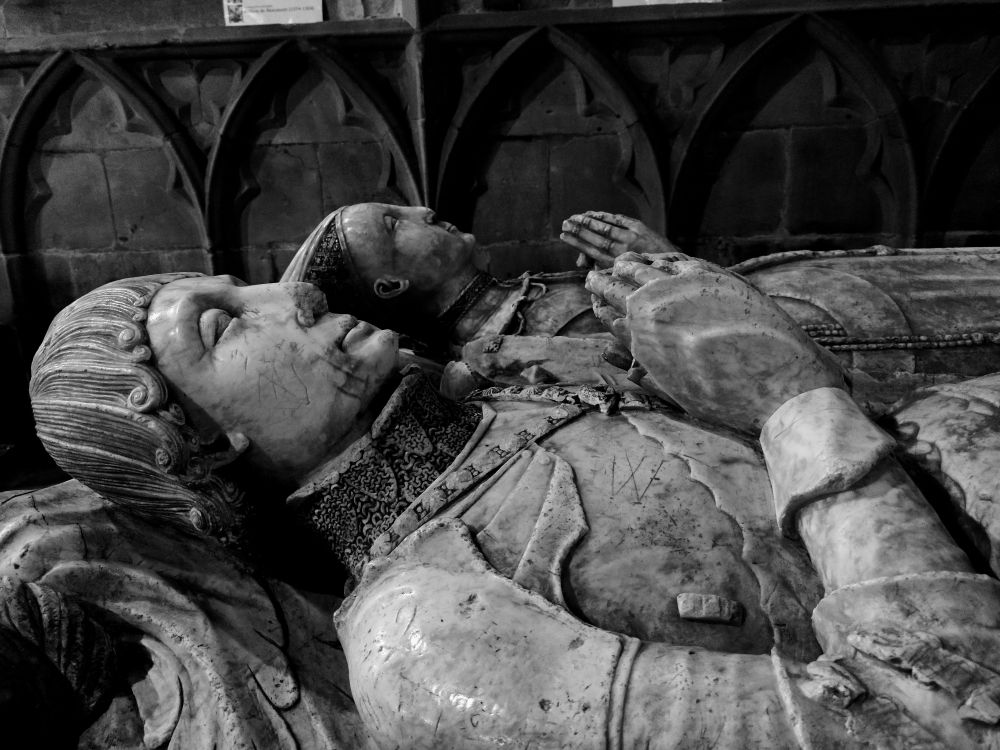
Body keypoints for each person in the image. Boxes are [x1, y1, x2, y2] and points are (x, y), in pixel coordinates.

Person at [16, 247, 1000, 747]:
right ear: (204, 450)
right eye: (225, 325)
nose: (293, 294)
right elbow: (920, 728)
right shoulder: (429, 636)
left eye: (244, 283)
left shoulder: (504, 380)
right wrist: (792, 400)